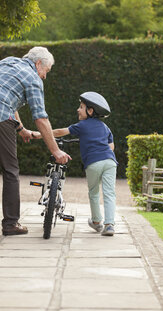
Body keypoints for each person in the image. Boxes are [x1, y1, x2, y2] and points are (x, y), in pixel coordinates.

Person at [0, 46, 71, 240]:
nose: (44, 77)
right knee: (10, 170)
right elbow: (40, 118)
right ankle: (10, 224)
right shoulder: (32, 78)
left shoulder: (6, 61)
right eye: (46, 71)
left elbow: (5, 97)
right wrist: (56, 151)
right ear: (38, 63)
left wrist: (21, 129)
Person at [51, 91, 118, 236]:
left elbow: (61, 131)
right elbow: (111, 147)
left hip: (93, 163)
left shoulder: (82, 125)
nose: (77, 109)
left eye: (81, 107)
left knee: (93, 192)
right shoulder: (105, 127)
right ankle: (109, 225)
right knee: (109, 193)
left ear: (90, 110)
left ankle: (96, 221)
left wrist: (41, 133)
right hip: (110, 161)